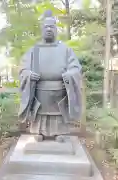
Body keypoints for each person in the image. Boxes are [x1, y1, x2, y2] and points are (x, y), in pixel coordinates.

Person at [18, 10, 82, 142]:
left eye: (51, 27)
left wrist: (69, 74)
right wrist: (29, 74)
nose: (48, 29)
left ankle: (60, 132)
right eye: (46, 27)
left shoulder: (65, 50)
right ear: (41, 29)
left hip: (60, 91)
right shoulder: (34, 50)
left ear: (56, 30)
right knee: (40, 112)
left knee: (58, 113)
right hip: (39, 91)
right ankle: (38, 131)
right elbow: (23, 69)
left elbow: (75, 68)